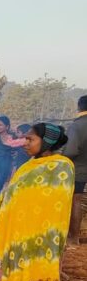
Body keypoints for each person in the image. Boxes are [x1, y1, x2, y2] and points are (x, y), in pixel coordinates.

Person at [0, 123, 73, 281]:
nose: (25, 143)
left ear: (46, 142)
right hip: (19, 239)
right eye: (26, 139)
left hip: (43, 243)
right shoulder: (28, 166)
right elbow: (11, 195)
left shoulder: (62, 167)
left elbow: (58, 205)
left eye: (30, 139)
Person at [64, 95, 87, 246]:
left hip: (79, 169)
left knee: (75, 201)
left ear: (79, 106)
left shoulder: (76, 125)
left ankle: (73, 238)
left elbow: (71, 151)